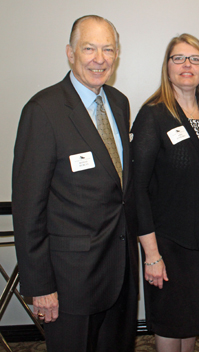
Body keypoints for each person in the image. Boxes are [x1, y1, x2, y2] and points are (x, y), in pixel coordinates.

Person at [12, 15, 139, 352]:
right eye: (89, 48)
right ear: (70, 53)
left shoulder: (119, 103)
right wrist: (40, 285)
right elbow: (28, 208)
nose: (100, 58)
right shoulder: (43, 110)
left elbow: (120, 190)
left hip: (120, 271)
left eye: (108, 49)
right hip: (71, 281)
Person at [131, 33, 199, 352]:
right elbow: (136, 189)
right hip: (167, 244)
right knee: (169, 325)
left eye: (195, 59)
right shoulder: (153, 115)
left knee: (193, 321)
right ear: (167, 66)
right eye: (178, 58)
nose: (186, 65)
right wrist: (151, 255)